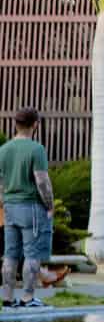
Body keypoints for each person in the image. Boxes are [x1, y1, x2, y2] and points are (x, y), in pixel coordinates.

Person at [1, 109, 54, 311]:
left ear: (16, 124)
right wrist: (49, 205)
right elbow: (41, 181)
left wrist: (3, 204)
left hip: (10, 207)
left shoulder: (3, 150)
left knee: (10, 254)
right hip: (31, 206)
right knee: (32, 253)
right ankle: (28, 297)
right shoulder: (36, 149)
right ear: (35, 124)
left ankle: (7, 298)